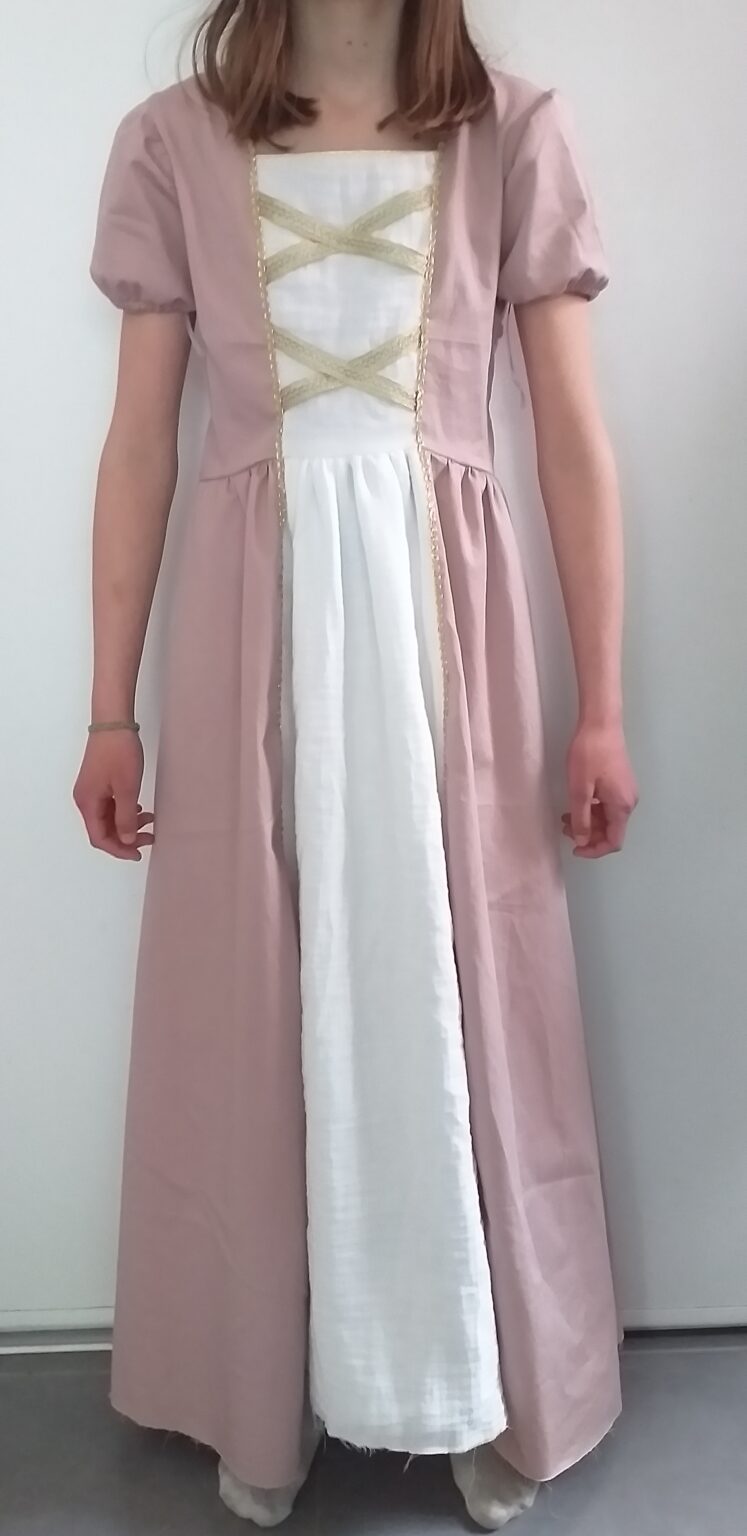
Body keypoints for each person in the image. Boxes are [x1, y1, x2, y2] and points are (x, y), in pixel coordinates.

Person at [74, 0, 639, 1528]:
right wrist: (111, 707)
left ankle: (475, 1371)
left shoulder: (514, 133)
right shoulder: (172, 145)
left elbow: (570, 435)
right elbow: (141, 441)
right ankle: (266, 1382)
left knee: (465, 992)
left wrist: (601, 704)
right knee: (257, 1002)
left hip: (446, 634)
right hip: (255, 628)